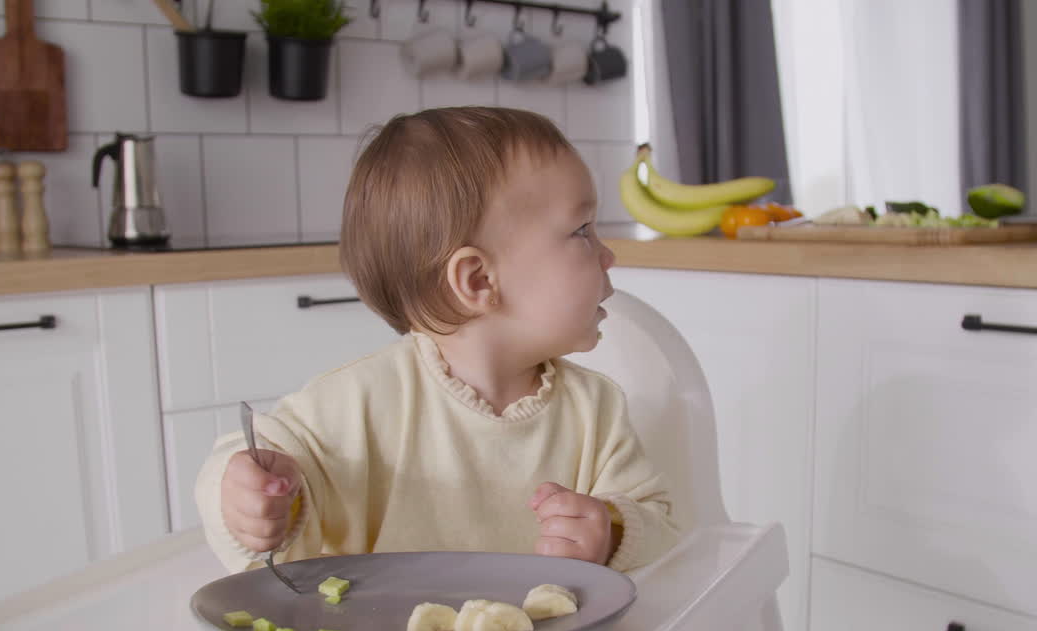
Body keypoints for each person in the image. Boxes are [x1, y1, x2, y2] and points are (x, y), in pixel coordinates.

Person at [195, 107, 683, 575]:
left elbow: (660, 525)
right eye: (581, 230)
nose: (608, 254)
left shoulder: (594, 409)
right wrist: (250, 498)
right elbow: (259, 454)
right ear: (477, 281)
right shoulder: (361, 402)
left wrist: (611, 533)